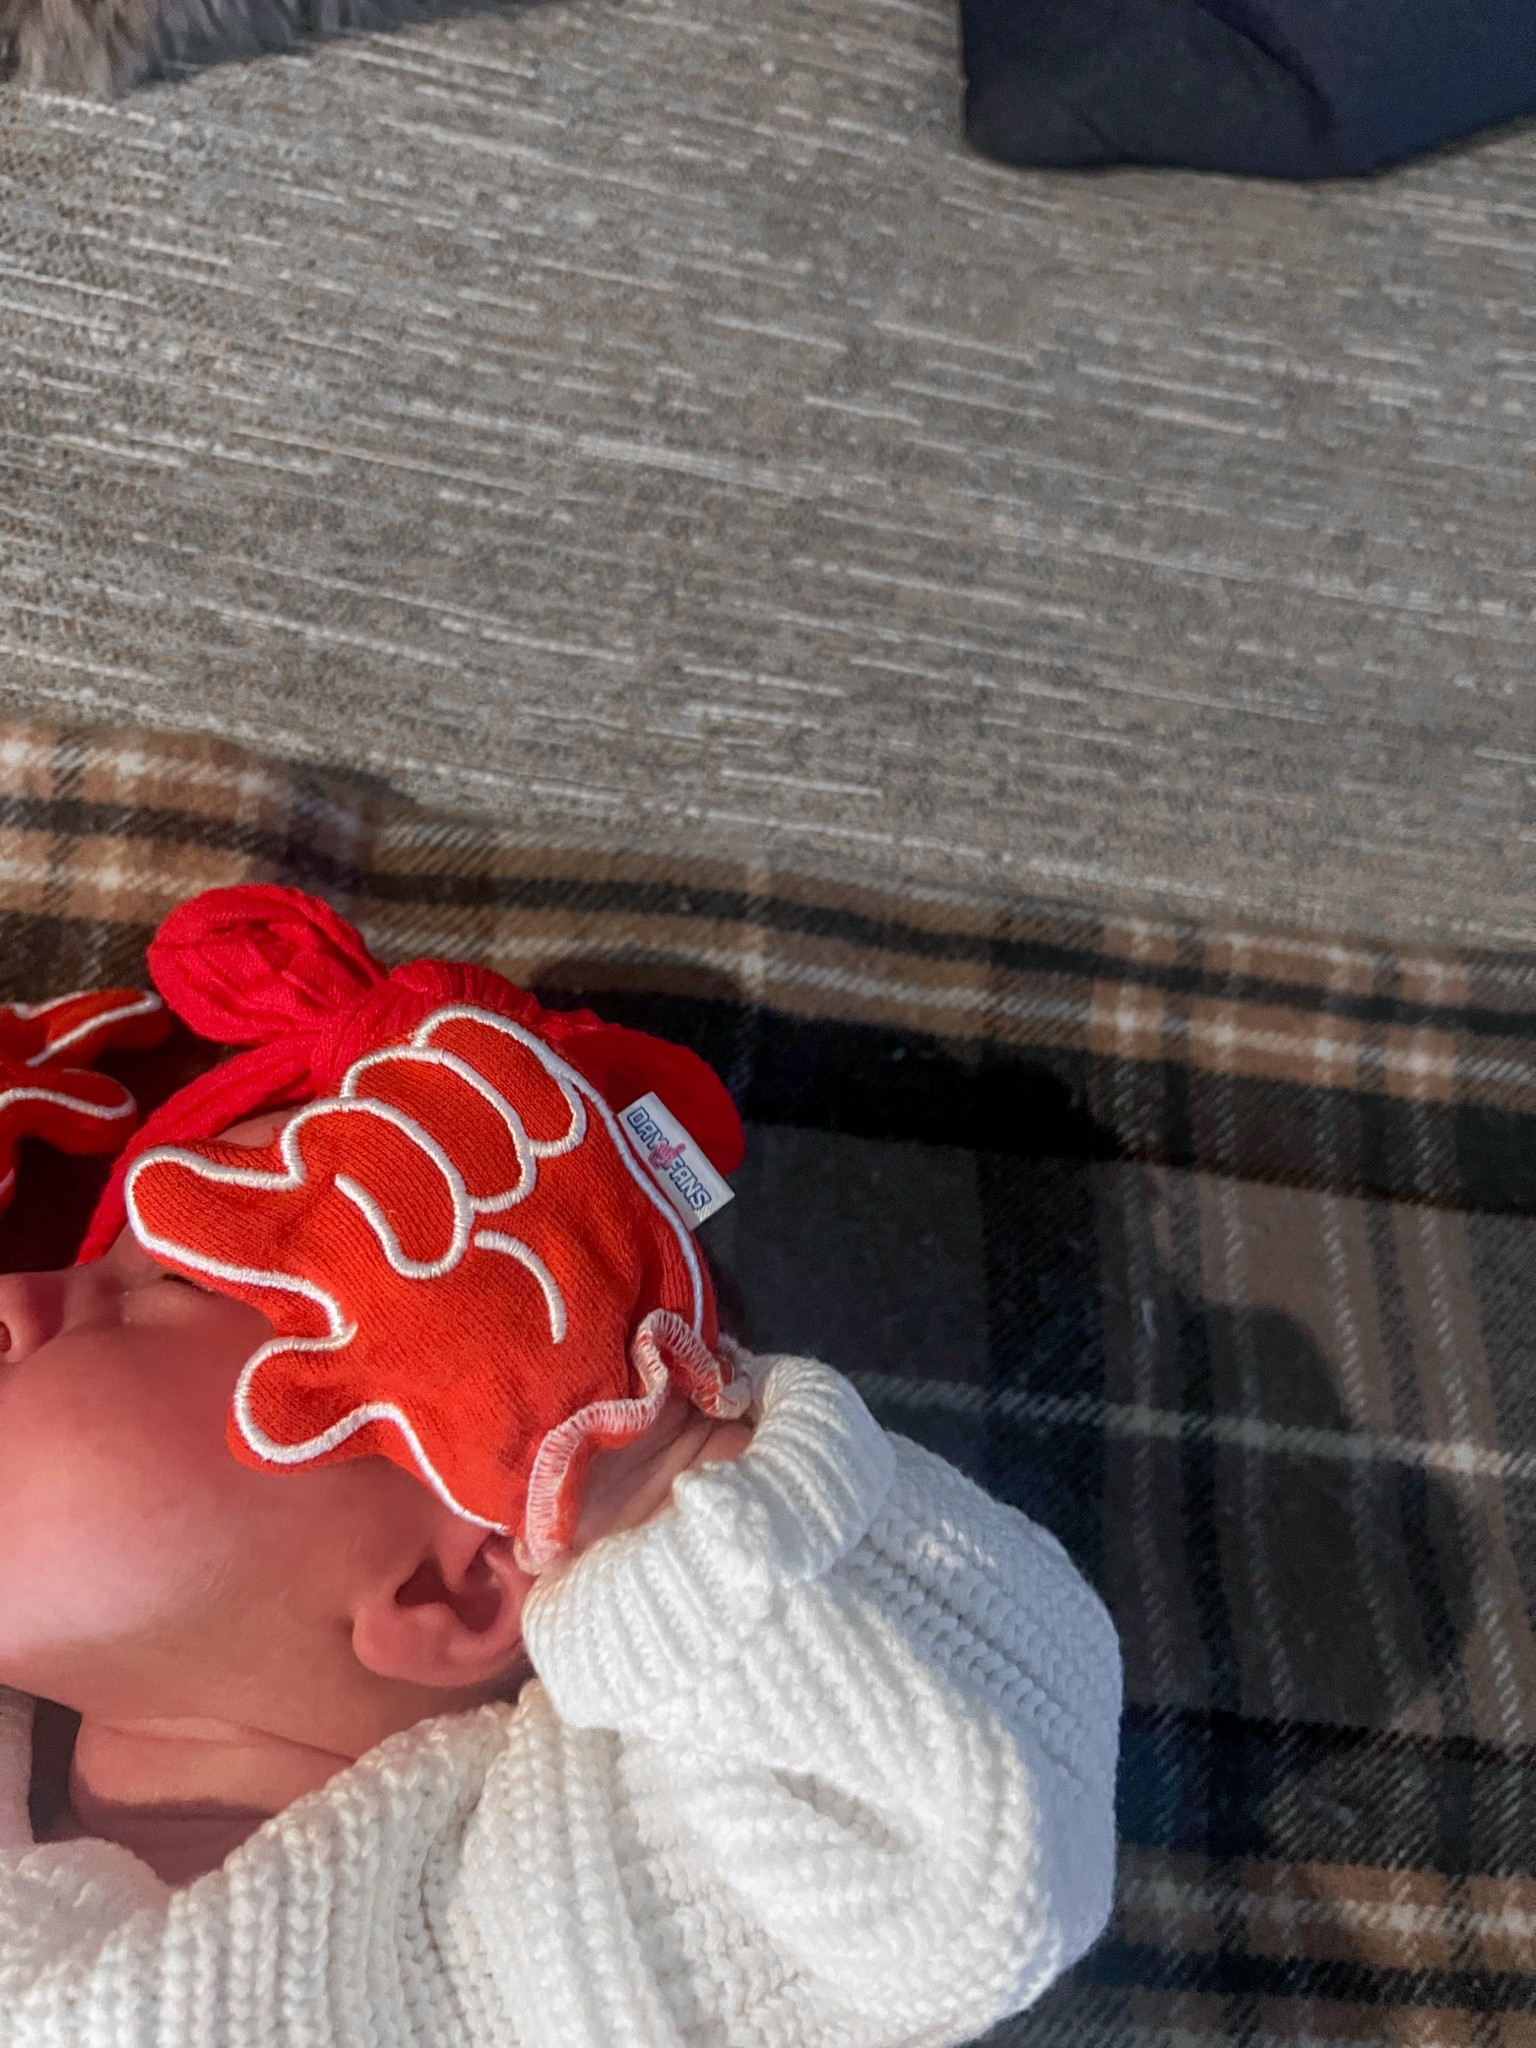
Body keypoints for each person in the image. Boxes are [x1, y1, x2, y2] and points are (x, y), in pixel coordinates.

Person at [0, 883, 1123, 2048]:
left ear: (457, 1582)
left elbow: (972, 1866)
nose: (20, 1293)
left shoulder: (560, 1914)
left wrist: (656, 1479)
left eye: (172, 1280)